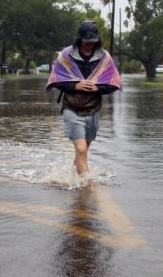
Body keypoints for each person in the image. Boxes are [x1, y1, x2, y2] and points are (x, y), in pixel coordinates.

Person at [46, 20, 122, 179]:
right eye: (87, 41)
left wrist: (98, 88)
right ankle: (87, 186)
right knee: (81, 150)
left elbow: (114, 82)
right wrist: (76, 86)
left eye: (93, 42)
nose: (90, 45)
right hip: (72, 108)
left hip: (94, 110)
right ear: (79, 39)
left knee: (83, 151)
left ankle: (70, 180)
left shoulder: (104, 57)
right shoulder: (66, 55)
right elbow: (56, 80)